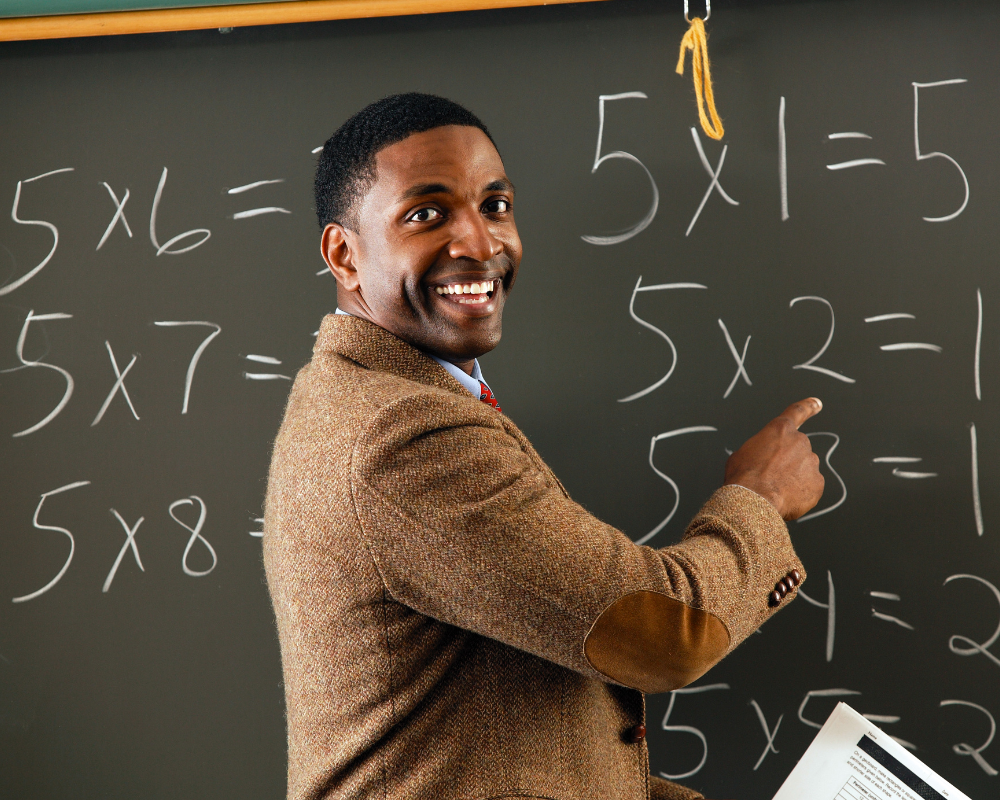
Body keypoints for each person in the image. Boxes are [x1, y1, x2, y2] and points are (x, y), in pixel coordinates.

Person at [263, 93, 824, 800]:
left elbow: (487, 743)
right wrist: (760, 499)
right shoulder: (401, 438)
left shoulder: (372, 396)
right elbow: (660, 633)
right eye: (427, 214)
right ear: (344, 254)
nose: (481, 243)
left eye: (495, 205)